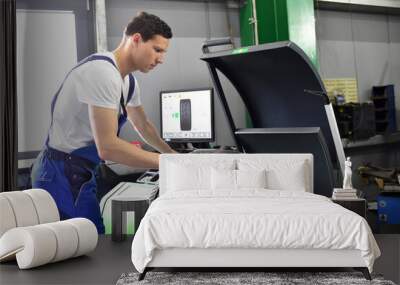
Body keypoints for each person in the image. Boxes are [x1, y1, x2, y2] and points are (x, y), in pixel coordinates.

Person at [31, 12, 175, 234]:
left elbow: (143, 125)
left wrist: (172, 154)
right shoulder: (102, 73)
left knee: (90, 238)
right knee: (81, 243)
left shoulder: (127, 81)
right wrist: (167, 163)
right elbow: (107, 147)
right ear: (136, 39)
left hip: (81, 169)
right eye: (157, 50)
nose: (161, 59)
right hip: (59, 170)